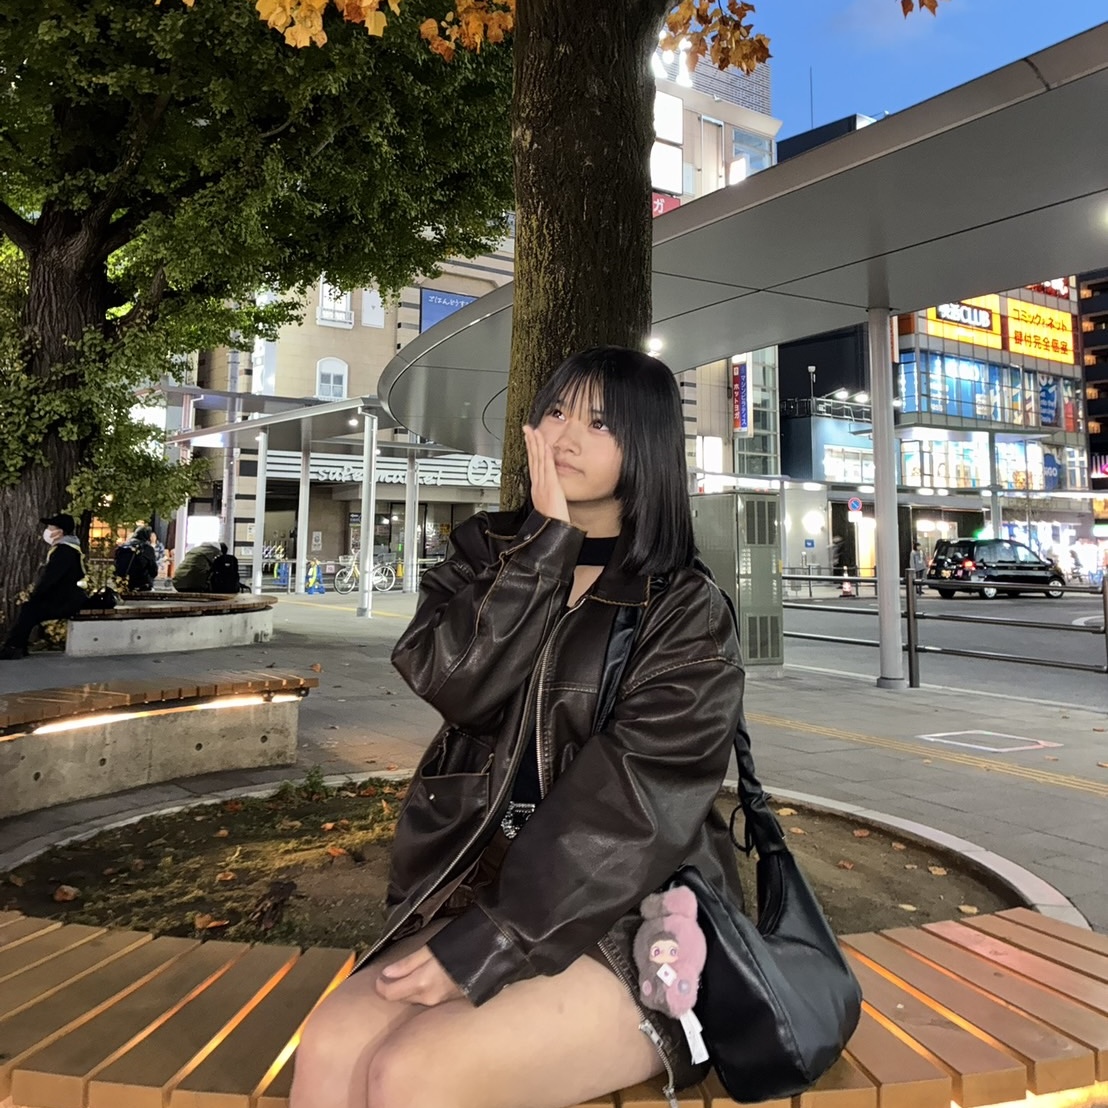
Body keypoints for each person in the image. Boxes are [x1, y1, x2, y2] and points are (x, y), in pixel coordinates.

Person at [289, 347, 747, 1108]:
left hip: (634, 918)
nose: (565, 436)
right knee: (331, 1047)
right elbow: (452, 683)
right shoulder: (487, 555)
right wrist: (542, 550)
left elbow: (633, 809)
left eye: (600, 423)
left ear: (647, 445)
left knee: (413, 1073)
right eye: (557, 411)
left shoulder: (685, 609)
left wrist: (494, 940)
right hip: (482, 891)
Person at [1, 512, 88, 659]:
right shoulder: (68, 548)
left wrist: (36, 595)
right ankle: (18, 646)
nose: (47, 531)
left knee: (30, 610)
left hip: (68, 600)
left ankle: (14, 647)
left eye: (50, 528)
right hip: (69, 597)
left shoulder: (64, 551)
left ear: (60, 532)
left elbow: (51, 578)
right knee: (30, 610)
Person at [113, 526, 159, 592]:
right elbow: (153, 571)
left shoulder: (123, 547)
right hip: (141, 584)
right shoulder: (147, 548)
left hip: (123, 582)